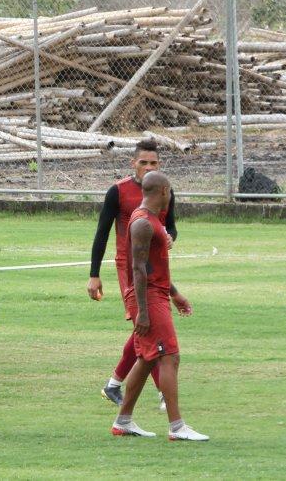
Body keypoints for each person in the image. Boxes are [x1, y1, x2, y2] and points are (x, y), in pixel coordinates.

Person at [111, 171, 208, 441]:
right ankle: (177, 427)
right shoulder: (143, 223)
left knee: (146, 358)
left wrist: (175, 294)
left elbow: (153, 267)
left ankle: (123, 420)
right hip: (148, 298)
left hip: (157, 293)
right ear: (164, 191)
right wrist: (142, 310)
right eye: (171, 191)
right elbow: (138, 269)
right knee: (170, 356)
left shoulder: (152, 221)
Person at [87, 139, 181, 410]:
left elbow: (171, 227)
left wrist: (170, 237)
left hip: (158, 266)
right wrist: (94, 274)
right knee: (147, 324)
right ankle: (163, 390)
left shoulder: (165, 192)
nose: (148, 167)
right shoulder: (118, 192)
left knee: (147, 328)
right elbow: (102, 233)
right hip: (129, 268)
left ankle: (114, 384)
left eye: (153, 162)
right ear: (133, 164)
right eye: (143, 162)